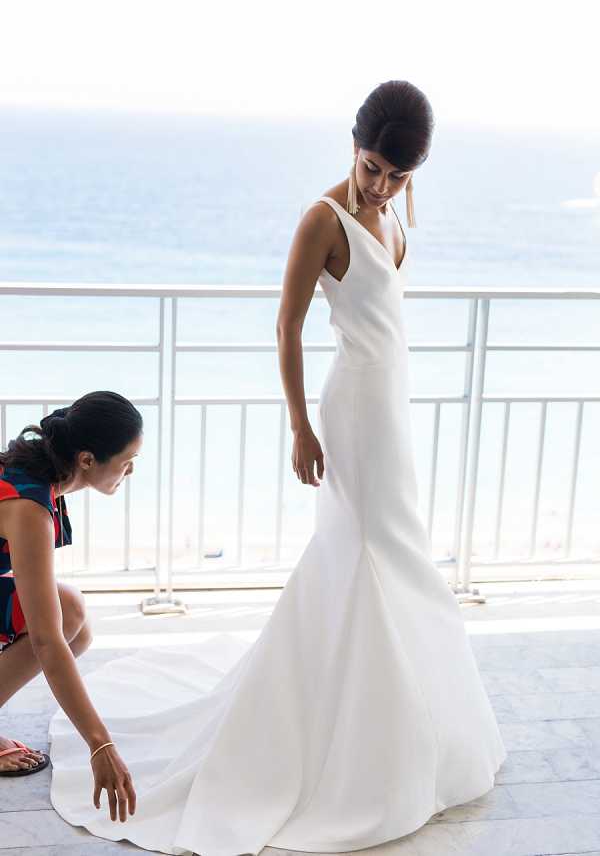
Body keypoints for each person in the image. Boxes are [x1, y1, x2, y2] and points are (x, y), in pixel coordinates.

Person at [47, 81, 506, 855]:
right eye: (371, 168)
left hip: (390, 411)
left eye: (397, 176)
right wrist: (299, 424)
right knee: (361, 553)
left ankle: (393, 720)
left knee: (395, 553)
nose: (381, 185)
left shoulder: (393, 214)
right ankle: (346, 736)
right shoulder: (321, 220)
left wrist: (392, 203)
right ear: (353, 146)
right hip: (351, 410)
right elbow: (288, 325)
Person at [0, 390, 142, 824]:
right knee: (60, 623)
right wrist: (100, 744)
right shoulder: (28, 506)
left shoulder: (39, 476)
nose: (131, 469)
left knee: (71, 616)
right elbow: (45, 641)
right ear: (86, 459)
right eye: (125, 459)